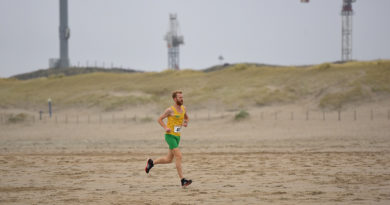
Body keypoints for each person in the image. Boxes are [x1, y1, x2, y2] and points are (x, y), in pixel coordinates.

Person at [145, 90, 192, 187]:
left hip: (177, 137)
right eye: (180, 97)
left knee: (168, 159)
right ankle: (182, 180)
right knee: (179, 156)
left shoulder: (184, 108)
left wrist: (186, 123)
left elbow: (187, 118)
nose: (182, 99)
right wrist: (165, 127)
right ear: (175, 99)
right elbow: (159, 119)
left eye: (182, 97)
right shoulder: (170, 110)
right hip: (170, 136)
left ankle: (151, 163)